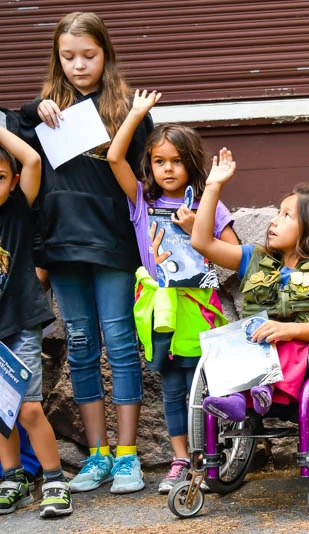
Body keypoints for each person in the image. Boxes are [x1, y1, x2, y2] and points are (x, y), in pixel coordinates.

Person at [18, 11, 151, 494]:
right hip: (61, 248)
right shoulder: (43, 111)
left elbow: (145, 179)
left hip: (114, 246)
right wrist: (34, 111)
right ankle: (96, 456)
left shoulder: (127, 109)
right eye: (68, 56)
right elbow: (11, 135)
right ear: (57, 57)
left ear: (106, 54)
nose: (78, 65)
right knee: (80, 348)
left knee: (119, 346)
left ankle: (128, 456)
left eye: (89, 55)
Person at [106, 90, 239, 493]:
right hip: (158, 312)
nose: (167, 169)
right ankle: (181, 457)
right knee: (171, 388)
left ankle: (209, 454)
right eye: (159, 161)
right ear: (148, 164)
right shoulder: (142, 201)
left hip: (199, 309)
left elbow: (233, 256)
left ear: (191, 163)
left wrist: (193, 228)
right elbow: (114, 158)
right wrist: (136, 113)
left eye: (177, 161)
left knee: (205, 385)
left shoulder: (208, 205)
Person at [192, 149, 309, 423]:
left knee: (282, 343)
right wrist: (213, 187)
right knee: (231, 338)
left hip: (296, 345)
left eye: (286, 216)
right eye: (278, 213)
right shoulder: (253, 257)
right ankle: (238, 398)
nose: (273, 221)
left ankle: (264, 387)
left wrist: (288, 330)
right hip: (255, 343)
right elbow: (202, 242)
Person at [0, 124, 72, 517]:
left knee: (27, 408)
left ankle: (55, 479)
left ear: (11, 182)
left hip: (20, 322)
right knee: (0, 410)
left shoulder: (16, 210)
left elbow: (30, 159)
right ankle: (12, 480)